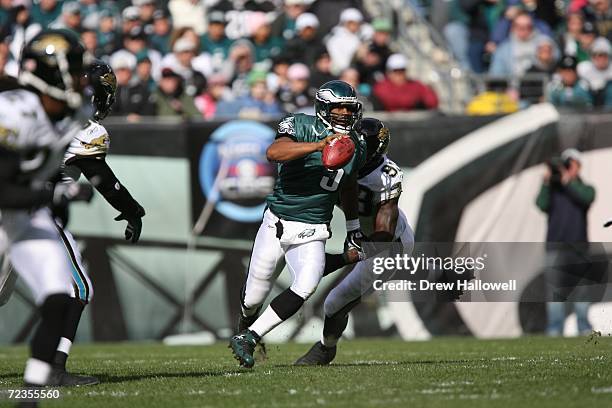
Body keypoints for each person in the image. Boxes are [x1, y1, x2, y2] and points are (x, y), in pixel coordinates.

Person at [228, 80, 367, 369]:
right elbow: (274, 152)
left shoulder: (358, 143)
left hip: (314, 229)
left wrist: (353, 227)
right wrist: (318, 146)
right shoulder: (301, 125)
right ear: (323, 107)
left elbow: (349, 185)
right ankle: (246, 323)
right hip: (277, 224)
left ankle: (250, 337)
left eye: (348, 108)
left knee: (306, 285)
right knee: (253, 299)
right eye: (338, 107)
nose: (343, 113)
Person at [0, 29, 88, 391]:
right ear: (55, 72)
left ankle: (31, 393)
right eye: (77, 69)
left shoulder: (74, 113)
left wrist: (52, 198)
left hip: (25, 215)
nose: (83, 78)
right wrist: (55, 197)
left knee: (58, 295)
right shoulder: (13, 111)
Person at [294, 118, 414, 365]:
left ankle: (326, 348)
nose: (352, 149)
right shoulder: (337, 158)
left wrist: (348, 254)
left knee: (335, 302)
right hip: (360, 235)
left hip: (390, 246)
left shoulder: (385, 176)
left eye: (360, 146)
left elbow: (384, 232)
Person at [535, 148, 596, 336]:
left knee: (581, 291)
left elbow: (586, 198)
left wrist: (568, 181)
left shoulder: (585, 188)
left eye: (571, 164)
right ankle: (555, 329)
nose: (568, 167)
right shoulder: (554, 190)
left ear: (578, 166)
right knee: (554, 291)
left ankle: (583, 327)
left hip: (579, 247)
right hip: (555, 247)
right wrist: (546, 183)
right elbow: (541, 204)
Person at [373, 53, 438, 112]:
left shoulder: (415, 85)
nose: (399, 74)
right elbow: (395, 102)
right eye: (395, 71)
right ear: (388, 72)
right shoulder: (381, 87)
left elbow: (432, 102)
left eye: (402, 70)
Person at [489, 12, 547, 77]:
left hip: (537, 84)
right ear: (513, 27)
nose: (524, 30)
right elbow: (496, 74)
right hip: (512, 85)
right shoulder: (503, 50)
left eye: (528, 26)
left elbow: (555, 56)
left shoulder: (543, 43)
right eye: (520, 27)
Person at [577, 36, 612, 106]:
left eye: (603, 55)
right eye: (597, 55)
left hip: (608, 99)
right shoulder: (584, 68)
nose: (600, 59)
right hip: (590, 97)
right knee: (579, 89)